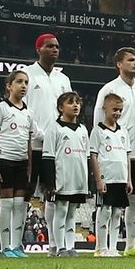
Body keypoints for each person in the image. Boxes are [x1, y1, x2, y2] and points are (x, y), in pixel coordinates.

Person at [97, 47, 135, 256]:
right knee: (110, 202)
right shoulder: (109, 89)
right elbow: (98, 123)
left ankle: (130, 245)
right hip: (114, 155)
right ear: (119, 64)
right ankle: (103, 246)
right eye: (131, 60)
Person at [19, 33, 72, 206]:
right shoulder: (26, 74)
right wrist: (39, 133)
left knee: (53, 193)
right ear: (38, 49)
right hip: (33, 144)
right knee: (26, 193)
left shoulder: (63, 79)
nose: (54, 49)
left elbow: (68, 111)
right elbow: (23, 109)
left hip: (57, 146)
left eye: (56, 46)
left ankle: (53, 234)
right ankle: (15, 234)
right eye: (49, 46)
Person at [0, 69, 35, 258]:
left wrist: (30, 166)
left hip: (22, 162)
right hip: (5, 160)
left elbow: (29, 142)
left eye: (26, 82)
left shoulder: (29, 112)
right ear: (9, 86)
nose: (23, 86)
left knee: (20, 205)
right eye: (19, 82)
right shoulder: (2, 108)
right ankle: (5, 247)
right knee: (6, 204)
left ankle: (17, 245)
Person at [43, 92, 89, 257]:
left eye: (77, 102)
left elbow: (87, 157)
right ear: (61, 108)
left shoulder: (83, 130)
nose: (75, 105)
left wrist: (87, 181)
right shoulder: (54, 129)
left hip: (78, 180)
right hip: (61, 179)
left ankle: (70, 246)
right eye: (70, 103)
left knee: (71, 214)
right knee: (61, 212)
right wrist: (49, 183)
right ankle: (59, 247)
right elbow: (48, 157)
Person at [91, 91, 132, 258]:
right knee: (105, 211)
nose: (117, 113)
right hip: (106, 178)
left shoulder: (123, 133)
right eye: (114, 109)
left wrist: (128, 179)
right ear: (104, 108)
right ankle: (101, 248)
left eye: (120, 110)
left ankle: (113, 247)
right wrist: (99, 179)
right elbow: (93, 156)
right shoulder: (98, 131)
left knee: (117, 213)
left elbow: (127, 156)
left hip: (121, 178)